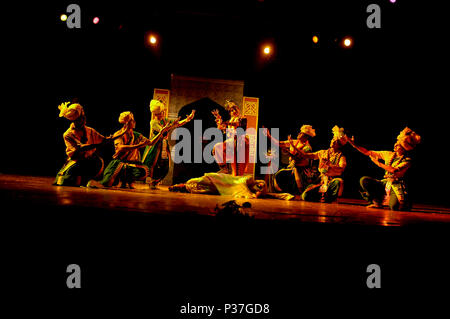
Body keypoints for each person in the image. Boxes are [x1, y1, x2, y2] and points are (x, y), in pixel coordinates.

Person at [88, 111, 171, 189]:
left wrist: (161, 133)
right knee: (114, 174)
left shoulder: (136, 135)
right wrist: (138, 145)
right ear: (127, 123)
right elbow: (121, 147)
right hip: (119, 163)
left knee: (144, 171)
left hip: (131, 164)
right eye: (132, 120)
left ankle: (128, 182)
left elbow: (150, 142)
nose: (134, 122)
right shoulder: (118, 134)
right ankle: (120, 181)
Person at [348, 127, 421, 211]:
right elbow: (367, 152)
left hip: (396, 184)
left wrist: (378, 163)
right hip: (385, 183)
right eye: (396, 142)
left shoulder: (407, 160)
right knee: (364, 180)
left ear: (403, 148)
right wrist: (353, 144)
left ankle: (405, 202)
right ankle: (377, 202)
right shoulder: (388, 154)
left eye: (398, 144)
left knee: (394, 207)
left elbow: (394, 170)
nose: (395, 144)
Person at [54, 102, 123, 187]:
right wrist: (97, 145)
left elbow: (105, 140)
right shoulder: (68, 134)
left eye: (84, 117)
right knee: (68, 181)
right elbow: (81, 147)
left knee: (107, 175)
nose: (84, 119)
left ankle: (89, 180)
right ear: (75, 121)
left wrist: (122, 132)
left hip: (91, 161)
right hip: (77, 161)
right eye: (81, 118)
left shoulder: (90, 130)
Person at [141, 99, 195, 187]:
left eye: (162, 112)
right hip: (155, 145)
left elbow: (177, 124)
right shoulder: (153, 122)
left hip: (164, 145)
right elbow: (162, 131)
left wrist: (187, 119)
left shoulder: (165, 120)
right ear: (156, 114)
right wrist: (171, 125)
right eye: (161, 112)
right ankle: (151, 181)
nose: (162, 114)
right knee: (152, 164)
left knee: (166, 165)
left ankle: (156, 181)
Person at [299, 126, 348, 203]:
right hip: (321, 181)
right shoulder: (323, 152)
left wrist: (330, 165)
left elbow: (341, 169)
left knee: (338, 181)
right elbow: (308, 155)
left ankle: (327, 196)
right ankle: (321, 196)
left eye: (335, 141)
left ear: (339, 145)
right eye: (333, 139)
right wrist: (296, 148)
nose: (332, 141)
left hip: (331, 181)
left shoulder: (341, 157)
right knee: (305, 195)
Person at [265, 125, 318, 195]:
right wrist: (269, 136)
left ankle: (300, 191)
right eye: (300, 132)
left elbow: (298, 158)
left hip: (301, 170)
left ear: (306, 137)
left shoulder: (307, 148)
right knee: (276, 172)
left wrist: (288, 152)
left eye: (301, 133)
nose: (299, 134)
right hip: (291, 167)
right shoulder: (294, 142)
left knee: (284, 174)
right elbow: (280, 143)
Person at [169, 172, 295, 200]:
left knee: (202, 188)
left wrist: (284, 196)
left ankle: (181, 187)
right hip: (220, 179)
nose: (261, 185)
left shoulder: (252, 189)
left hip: (221, 187)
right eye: (261, 184)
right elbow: (240, 184)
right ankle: (181, 186)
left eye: (260, 187)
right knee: (198, 181)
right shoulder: (249, 178)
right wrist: (251, 194)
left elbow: (266, 194)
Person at [211, 100, 249, 176]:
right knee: (217, 147)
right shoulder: (230, 120)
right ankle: (224, 167)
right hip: (231, 141)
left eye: (235, 109)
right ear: (230, 113)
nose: (233, 111)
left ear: (238, 109)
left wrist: (224, 123)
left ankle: (238, 178)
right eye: (231, 110)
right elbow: (222, 128)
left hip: (240, 142)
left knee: (237, 170)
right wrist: (219, 120)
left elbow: (237, 124)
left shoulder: (242, 118)